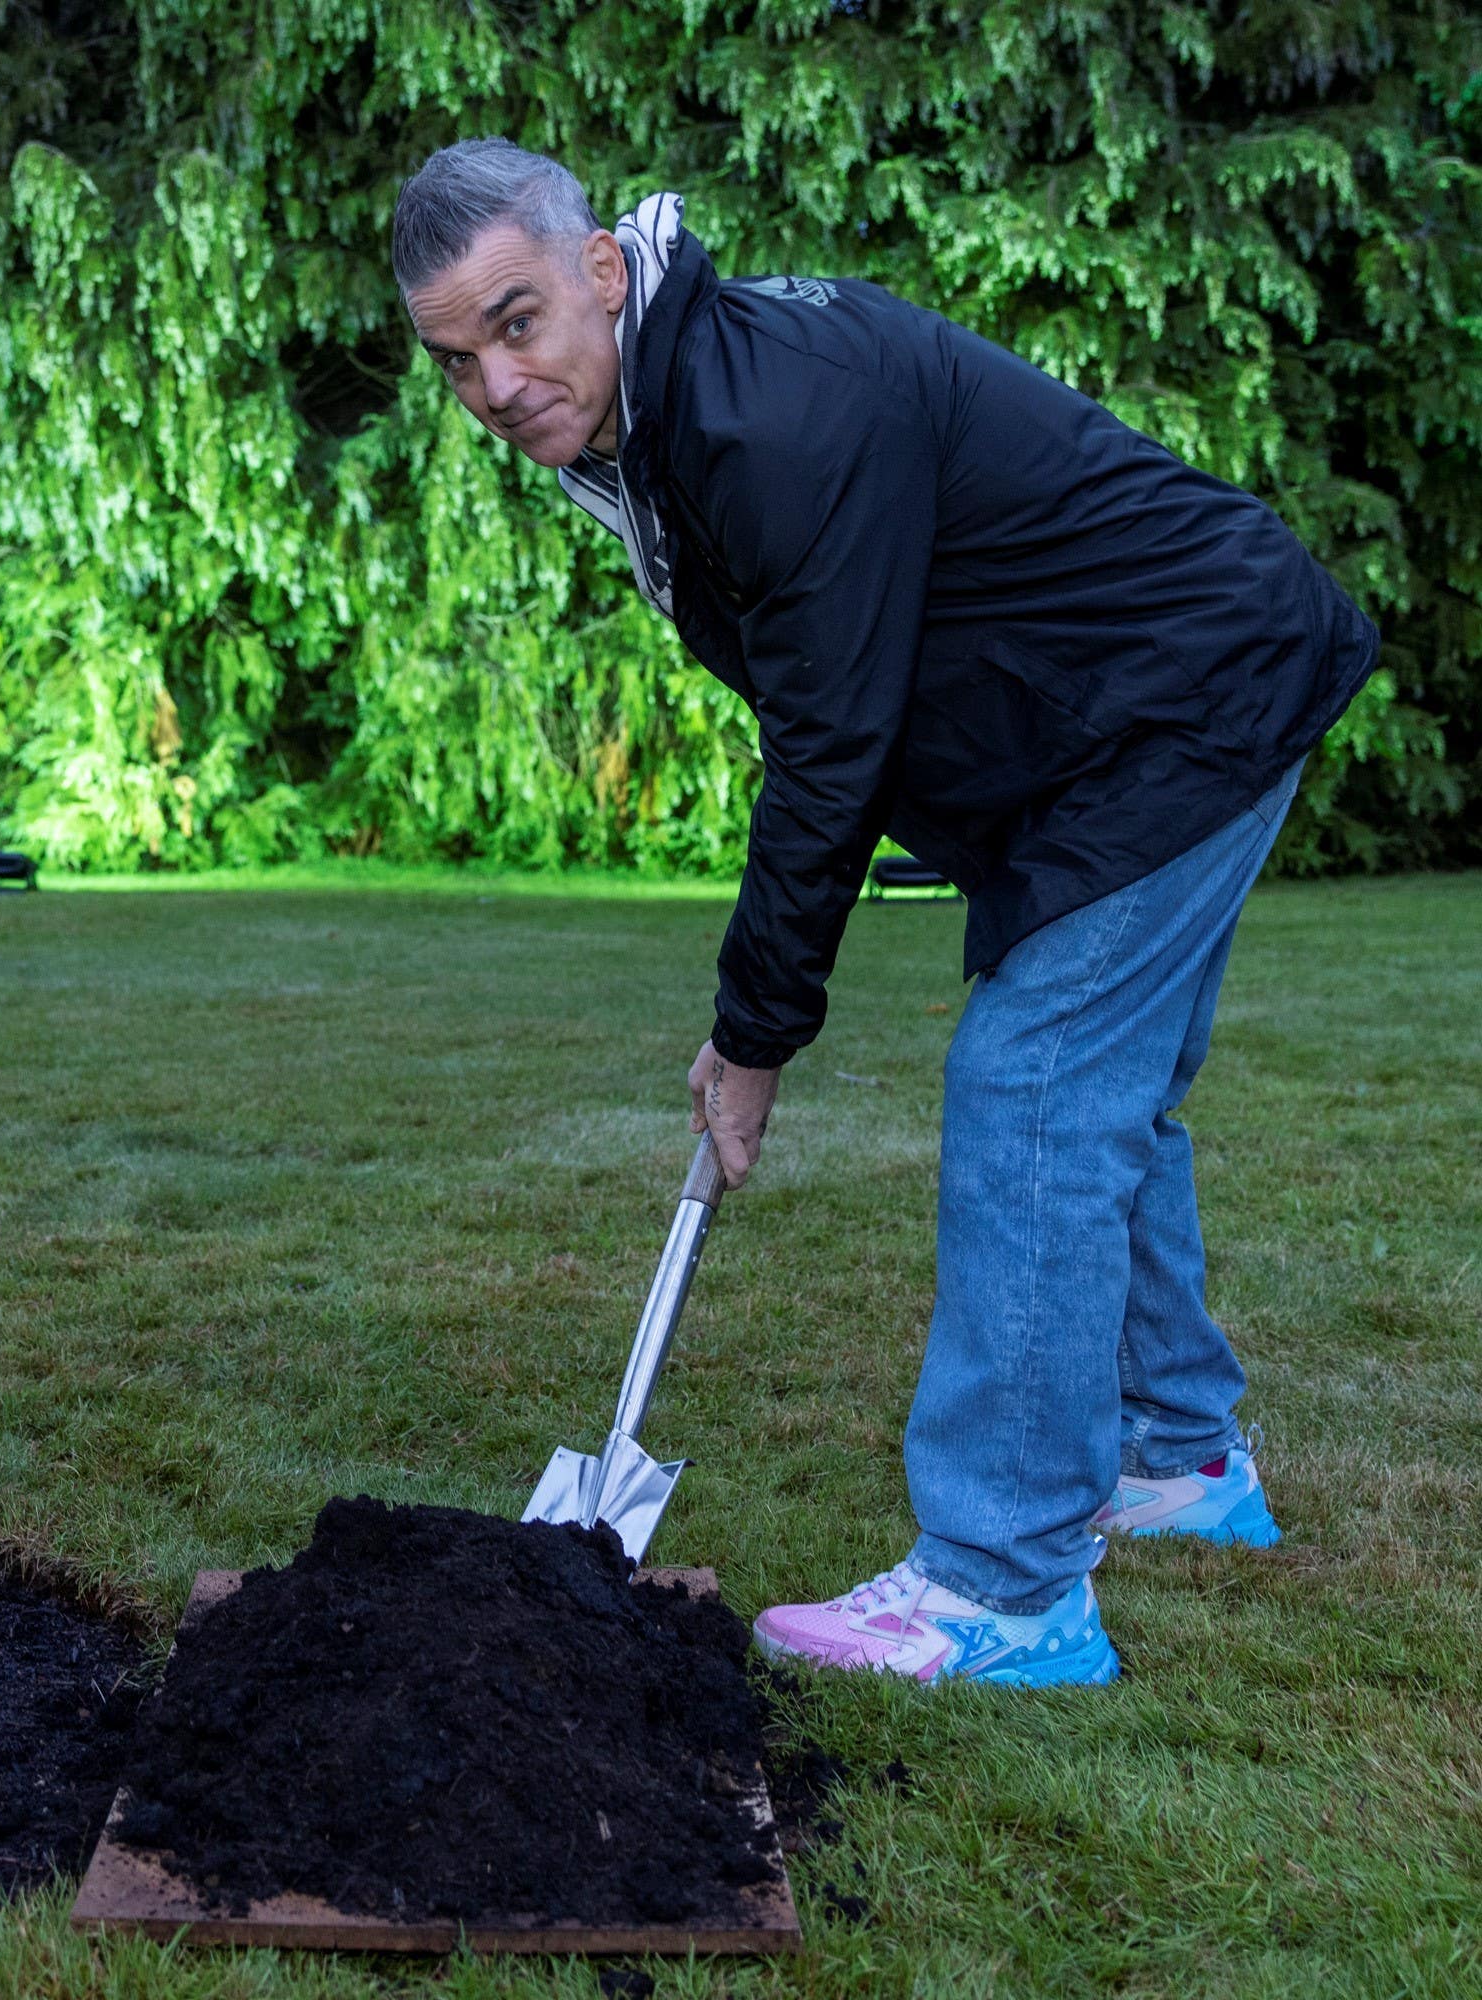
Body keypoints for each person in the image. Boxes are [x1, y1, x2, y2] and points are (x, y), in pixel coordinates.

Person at [392, 139, 1374, 1687]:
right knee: (1100, 1095)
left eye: (517, 323)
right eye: (458, 359)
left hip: (1185, 695)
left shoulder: (759, 413)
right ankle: (1180, 1454)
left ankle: (1004, 1586)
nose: (497, 384)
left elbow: (829, 743)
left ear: (598, 273)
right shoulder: (672, 403)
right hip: (1120, 721)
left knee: (1035, 1082)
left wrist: (754, 1031)